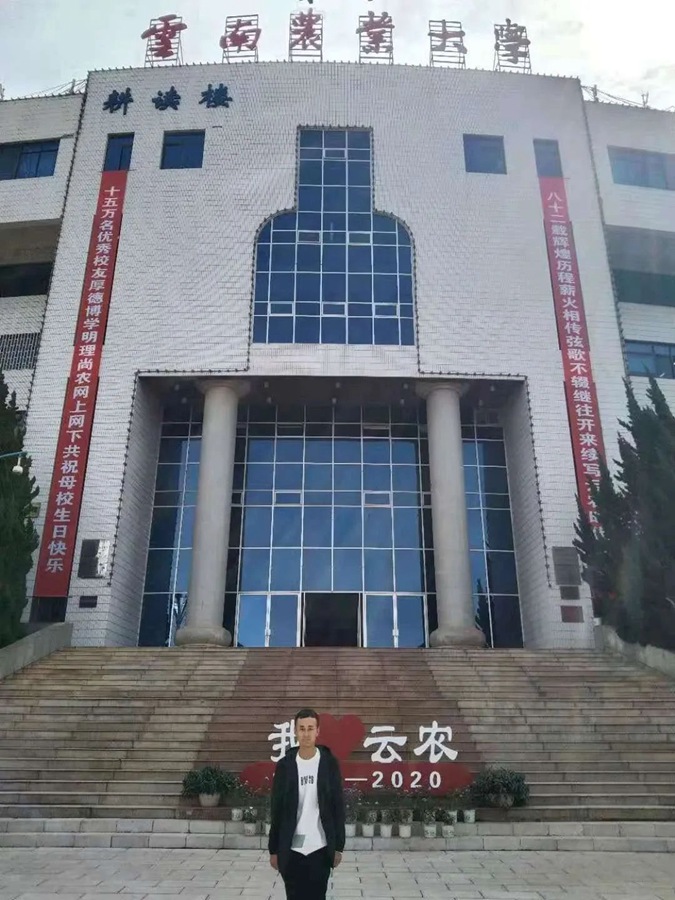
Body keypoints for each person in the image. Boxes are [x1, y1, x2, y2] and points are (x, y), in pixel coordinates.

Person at [268, 708, 345, 900]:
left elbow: (338, 806)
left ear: (317, 731)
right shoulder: (285, 765)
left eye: (310, 728)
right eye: (301, 728)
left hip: (320, 847)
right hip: (292, 848)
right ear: (295, 731)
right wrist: (273, 849)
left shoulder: (329, 763)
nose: (306, 733)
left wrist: (338, 846)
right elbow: (277, 808)